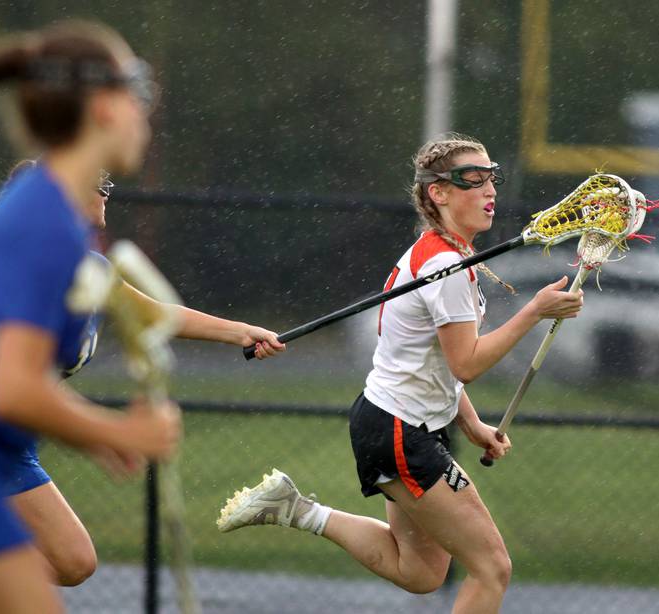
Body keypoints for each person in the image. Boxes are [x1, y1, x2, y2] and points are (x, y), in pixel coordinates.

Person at [217, 134, 584, 614]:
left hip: (390, 423)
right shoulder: (446, 265)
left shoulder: (446, 257)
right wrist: (534, 311)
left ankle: (297, 510)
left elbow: (435, 364)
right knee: (492, 567)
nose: (489, 188)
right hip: (399, 430)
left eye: (491, 175)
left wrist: (471, 425)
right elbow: (466, 364)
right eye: (472, 178)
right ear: (439, 192)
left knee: (420, 572)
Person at [0, 5, 182, 612]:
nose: (147, 112)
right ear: (102, 105)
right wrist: (120, 429)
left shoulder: (50, 213)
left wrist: (89, 436)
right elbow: (12, 389)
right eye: (140, 91)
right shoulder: (42, 221)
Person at [0, 163, 285, 587]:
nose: (107, 195)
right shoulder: (30, 270)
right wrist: (106, 432)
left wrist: (242, 332)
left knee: (71, 562)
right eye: (100, 186)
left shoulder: (87, 268)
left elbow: (155, 315)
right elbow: (11, 379)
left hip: (6, 438)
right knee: (61, 563)